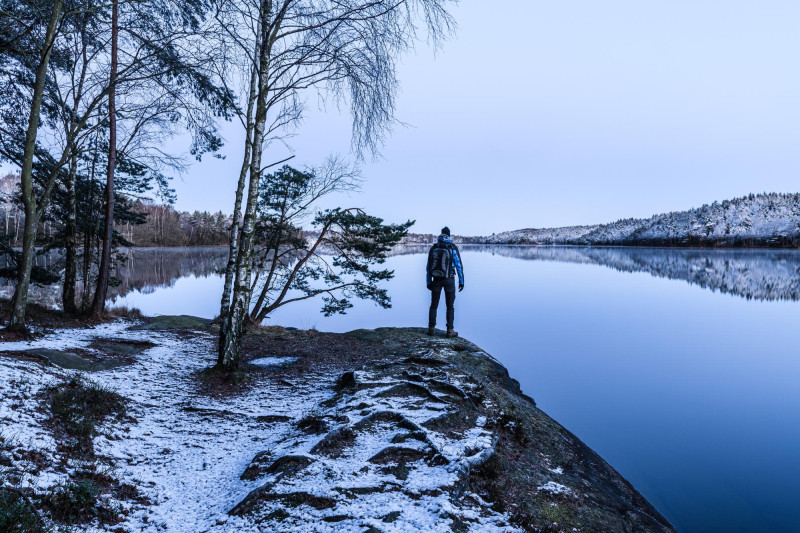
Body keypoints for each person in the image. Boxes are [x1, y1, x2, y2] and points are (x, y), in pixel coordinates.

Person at [426, 226, 464, 338]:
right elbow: (459, 265)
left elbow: (428, 267)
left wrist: (428, 282)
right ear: (449, 235)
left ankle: (431, 329)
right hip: (449, 279)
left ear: (441, 234)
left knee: (433, 305)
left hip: (436, 279)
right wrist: (462, 281)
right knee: (450, 306)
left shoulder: (434, 247)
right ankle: (450, 331)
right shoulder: (452, 247)